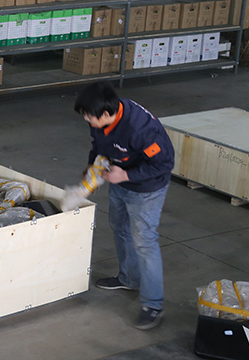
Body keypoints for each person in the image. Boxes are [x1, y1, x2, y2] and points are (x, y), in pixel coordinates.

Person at [74, 82, 175, 330]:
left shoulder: (140, 130)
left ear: (106, 113)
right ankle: (129, 278)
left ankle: (153, 305)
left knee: (145, 242)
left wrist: (126, 176)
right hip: (118, 179)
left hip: (146, 189)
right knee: (119, 226)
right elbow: (98, 144)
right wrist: (92, 168)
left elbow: (164, 164)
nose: (87, 119)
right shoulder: (101, 118)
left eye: (89, 116)